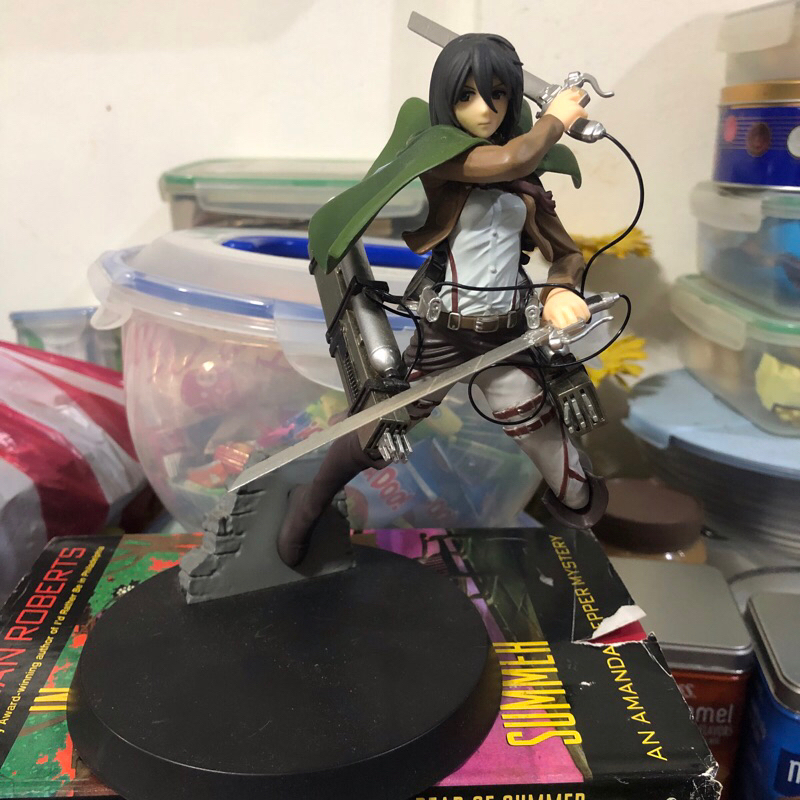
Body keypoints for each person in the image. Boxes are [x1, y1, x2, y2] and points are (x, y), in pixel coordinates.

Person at [279, 32, 608, 566]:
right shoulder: (443, 156)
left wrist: (560, 291)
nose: (484, 109)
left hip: (509, 335)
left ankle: (584, 544)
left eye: (497, 94)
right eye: (466, 96)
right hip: (444, 334)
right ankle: (309, 505)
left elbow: (566, 253)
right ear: (445, 102)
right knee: (378, 429)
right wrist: (556, 118)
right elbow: (508, 157)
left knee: (560, 467)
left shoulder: (524, 186)